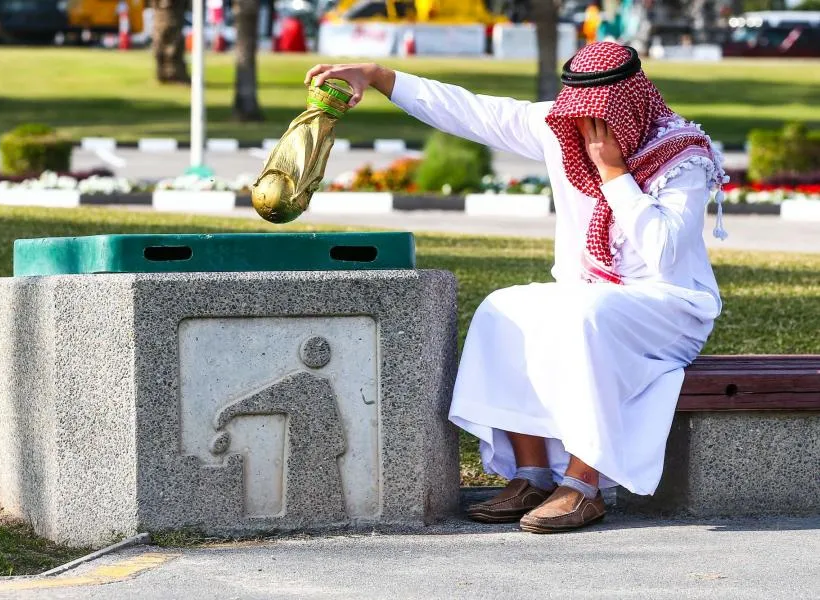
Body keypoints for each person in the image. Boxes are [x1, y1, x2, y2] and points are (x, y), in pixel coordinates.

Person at [304, 41, 728, 533]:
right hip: (589, 295)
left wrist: (613, 173)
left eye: (601, 116)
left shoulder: (682, 157)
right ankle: (531, 474)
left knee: (585, 318)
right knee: (502, 309)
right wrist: (377, 75)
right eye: (580, 115)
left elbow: (664, 254)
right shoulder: (563, 129)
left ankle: (584, 486)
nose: (588, 129)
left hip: (669, 306)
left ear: (632, 104)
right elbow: (471, 111)